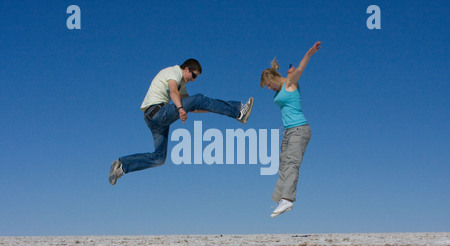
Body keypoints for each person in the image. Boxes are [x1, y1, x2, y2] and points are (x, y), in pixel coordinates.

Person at [109, 59, 254, 185]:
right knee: (198, 98)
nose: (193, 80)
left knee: (159, 158)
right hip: (157, 112)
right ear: (186, 69)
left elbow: (193, 107)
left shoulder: (181, 85)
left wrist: (212, 108)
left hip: (153, 120)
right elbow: (173, 92)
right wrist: (180, 108)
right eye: (193, 75)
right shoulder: (174, 72)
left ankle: (122, 166)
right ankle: (238, 111)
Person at [260, 42, 321, 218]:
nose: (269, 89)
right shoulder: (281, 87)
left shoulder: (290, 82)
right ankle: (281, 199)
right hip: (288, 132)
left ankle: (287, 199)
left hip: (300, 130)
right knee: (284, 165)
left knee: (292, 163)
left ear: (272, 78)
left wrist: (309, 53)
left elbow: (301, 67)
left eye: (269, 85)